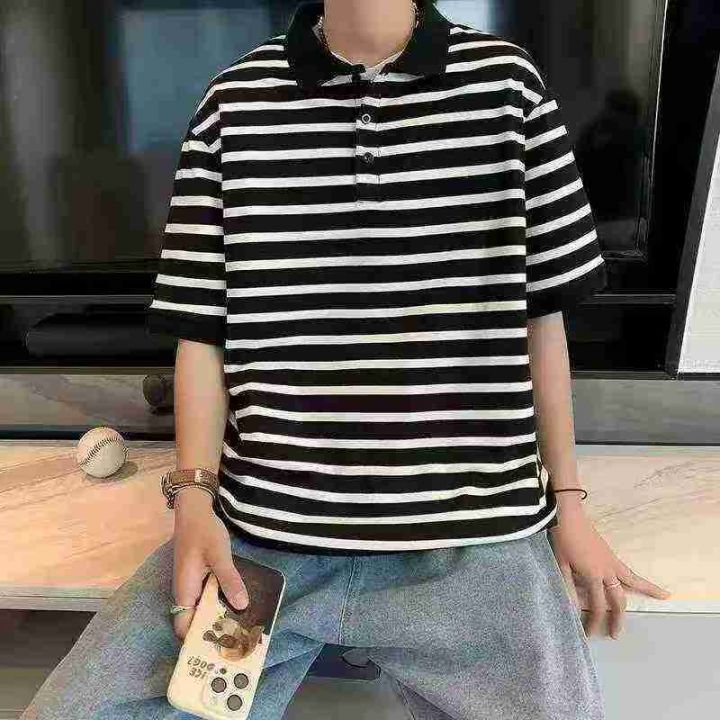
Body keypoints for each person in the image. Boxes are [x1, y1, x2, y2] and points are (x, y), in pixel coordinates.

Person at [21, 1, 672, 718]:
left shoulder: (509, 87)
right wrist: (196, 501)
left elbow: (541, 317)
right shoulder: (233, 102)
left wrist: (569, 506)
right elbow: (202, 328)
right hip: (265, 540)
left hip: (473, 543)